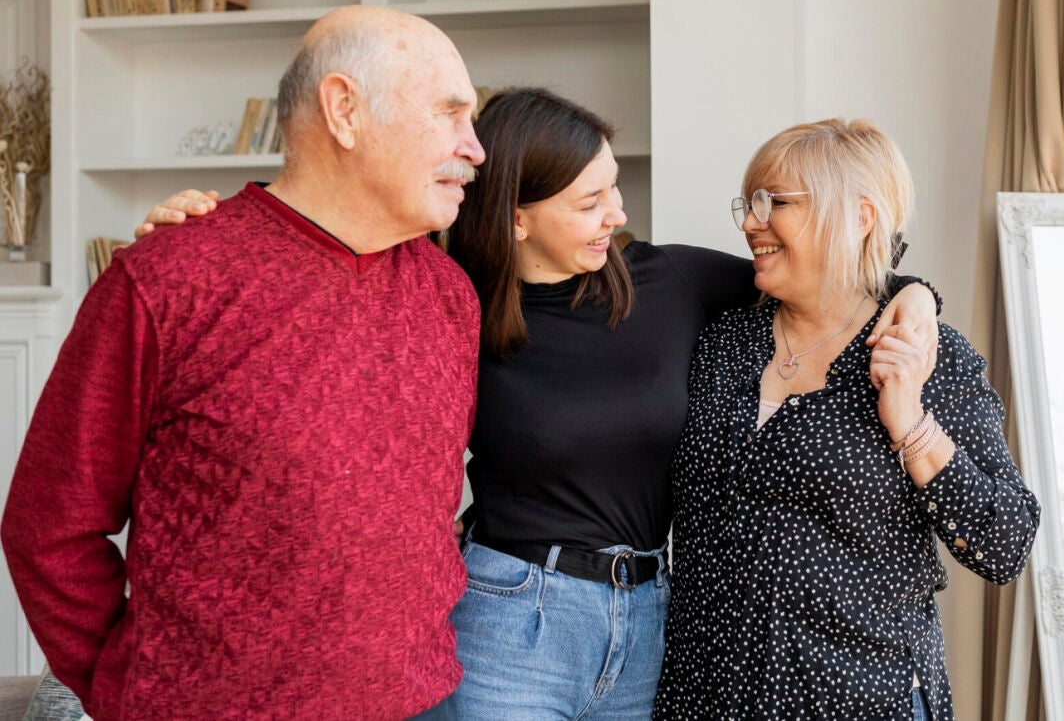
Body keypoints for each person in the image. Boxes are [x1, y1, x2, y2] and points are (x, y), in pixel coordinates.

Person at [136, 89, 942, 718]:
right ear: (517, 217)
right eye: (590, 203)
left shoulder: (671, 283)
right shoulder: (443, 304)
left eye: (615, 190)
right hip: (509, 622)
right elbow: (301, 285)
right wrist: (198, 233)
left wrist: (918, 299)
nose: (619, 216)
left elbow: (835, 280)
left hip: (650, 620)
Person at [1, 6, 484, 720]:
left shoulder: (449, 295)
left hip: (421, 704)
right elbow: (50, 525)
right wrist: (122, 688)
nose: (474, 147)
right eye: (450, 114)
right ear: (344, 110)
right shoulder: (168, 279)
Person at [654, 118, 1040, 720]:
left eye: (774, 202)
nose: (751, 222)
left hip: (862, 696)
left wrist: (909, 422)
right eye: (749, 203)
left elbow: (1004, 545)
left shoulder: (928, 357)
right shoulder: (721, 341)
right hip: (707, 699)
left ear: (860, 217)